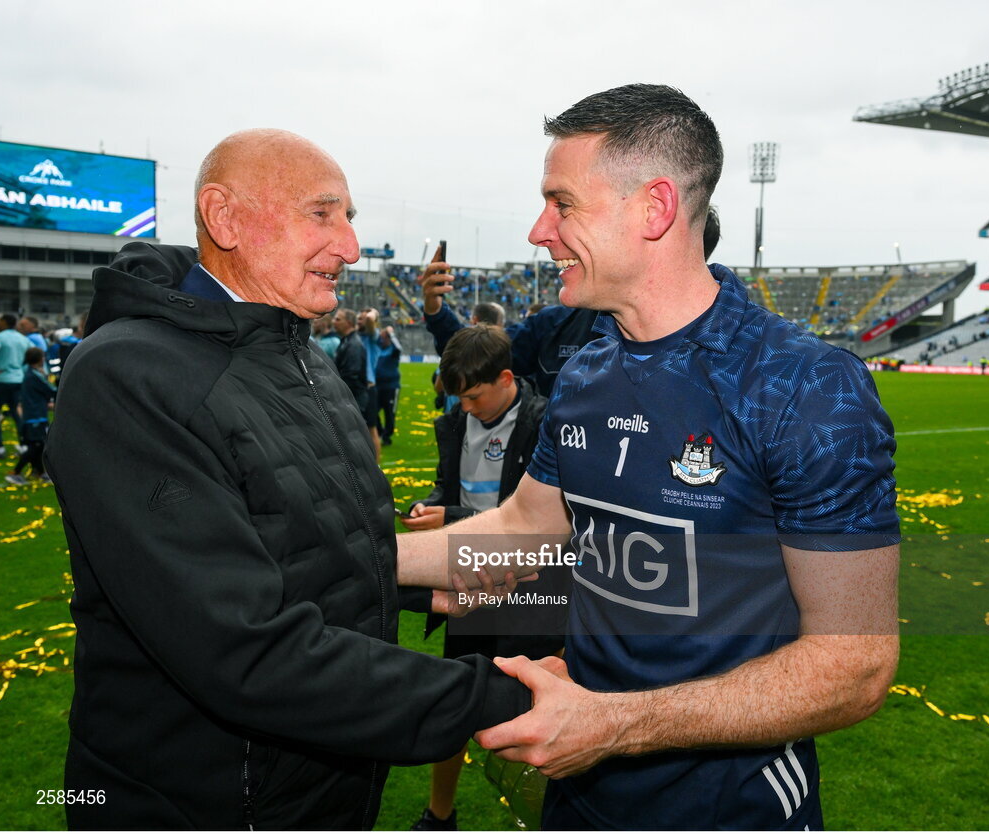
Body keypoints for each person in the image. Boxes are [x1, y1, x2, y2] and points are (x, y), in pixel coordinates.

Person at [399, 85, 900, 830]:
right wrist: (371, 558)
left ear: (654, 208)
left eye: (561, 203)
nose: (540, 230)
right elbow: (522, 530)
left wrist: (615, 723)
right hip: (581, 793)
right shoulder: (587, 371)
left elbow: (853, 667)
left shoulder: (802, 387)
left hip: (734, 810)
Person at [44, 129, 531, 830]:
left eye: (351, 217)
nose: (351, 247)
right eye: (322, 214)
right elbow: (243, 648)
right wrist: (508, 701)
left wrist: (433, 580)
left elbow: (304, 545)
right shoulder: (128, 376)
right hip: (204, 799)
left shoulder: (301, 356)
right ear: (225, 218)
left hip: (320, 782)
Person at [400, 325, 566, 831]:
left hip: (531, 590)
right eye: (460, 399)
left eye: (474, 395)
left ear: (507, 378)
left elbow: (533, 520)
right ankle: (439, 814)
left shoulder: (547, 423)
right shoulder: (454, 422)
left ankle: (553, 815)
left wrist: (450, 516)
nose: (467, 408)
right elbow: (450, 488)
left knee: (537, 712)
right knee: (457, 702)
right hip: (468, 589)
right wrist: (432, 504)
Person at [418, 206, 720, 397]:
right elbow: (475, 357)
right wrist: (435, 309)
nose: (541, 235)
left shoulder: (737, 355)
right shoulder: (555, 324)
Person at [5, 346, 55, 485]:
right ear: (39, 359)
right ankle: (16, 472)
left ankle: (39, 473)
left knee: (36, 444)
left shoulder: (28, 373)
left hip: (31, 414)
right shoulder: (35, 375)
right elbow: (51, 390)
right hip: (36, 415)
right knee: (37, 445)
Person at [0, 312, 31, 458]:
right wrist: (22, 369)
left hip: (1, 380)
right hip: (17, 380)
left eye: (0, 320)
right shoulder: (22, 338)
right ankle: (23, 446)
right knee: (17, 414)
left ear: (5, 322)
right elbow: (34, 353)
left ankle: (0, 449)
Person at [358, 307, 383, 458]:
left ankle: (376, 466)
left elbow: (369, 320)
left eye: (361, 318)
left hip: (368, 389)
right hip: (355, 388)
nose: (359, 321)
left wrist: (373, 312)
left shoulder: (373, 336)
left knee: (371, 429)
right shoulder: (355, 336)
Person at [375, 324, 402, 446]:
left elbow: (399, 348)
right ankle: (380, 432)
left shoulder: (393, 350)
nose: (382, 339)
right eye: (382, 337)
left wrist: (391, 334)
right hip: (377, 386)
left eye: (385, 337)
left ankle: (387, 436)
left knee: (389, 413)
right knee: (373, 411)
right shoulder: (378, 348)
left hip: (391, 386)